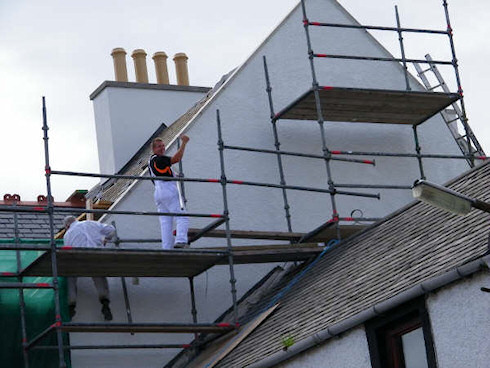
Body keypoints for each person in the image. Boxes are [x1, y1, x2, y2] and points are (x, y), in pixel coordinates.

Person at [63, 216, 115, 321]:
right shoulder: (91, 223)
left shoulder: (67, 234)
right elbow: (111, 229)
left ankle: (71, 305)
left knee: (70, 276)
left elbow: (67, 252)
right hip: (96, 255)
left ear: (67, 226)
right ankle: (105, 303)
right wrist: (106, 239)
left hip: (78, 259)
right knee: (99, 276)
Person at [148, 136, 189, 249]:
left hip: (158, 191)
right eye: (159, 146)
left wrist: (175, 175)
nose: (162, 148)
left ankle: (167, 248)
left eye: (163, 146)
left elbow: (164, 172)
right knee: (182, 217)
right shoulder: (159, 159)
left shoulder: (152, 161)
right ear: (154, 149)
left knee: (165, 222)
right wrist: (184, 143)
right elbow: (176, 158)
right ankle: (181, 240)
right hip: (168, 189)